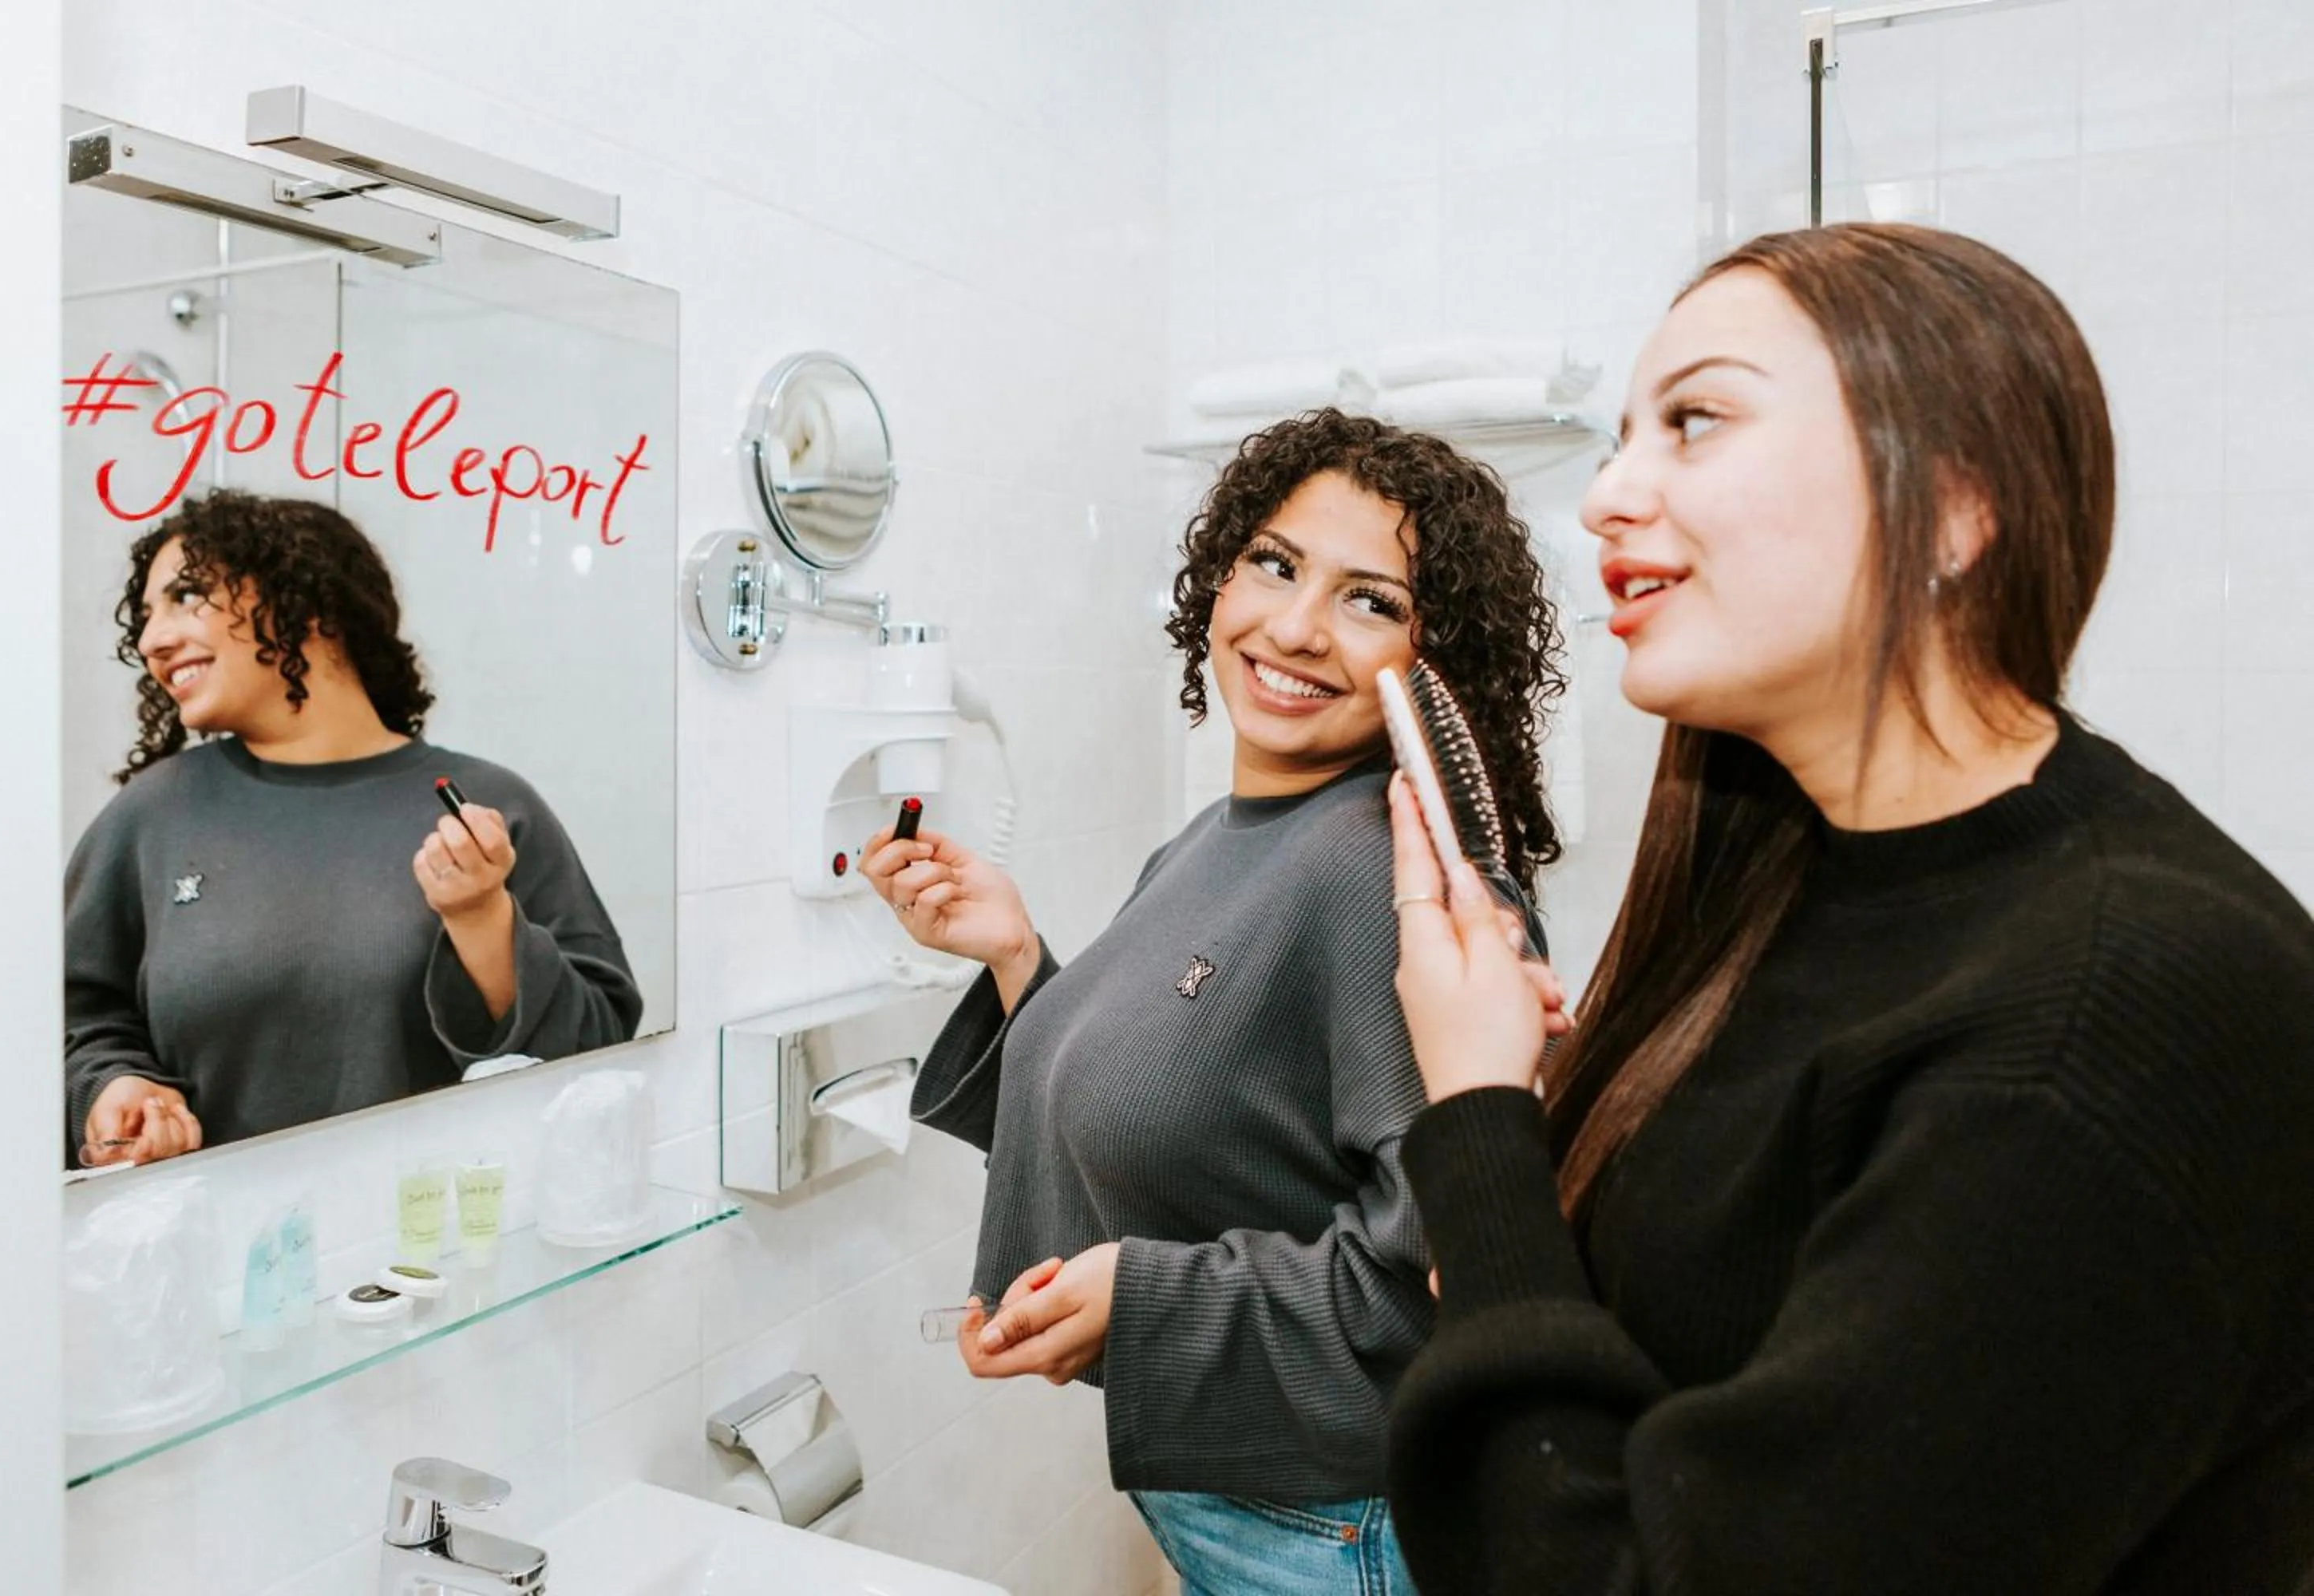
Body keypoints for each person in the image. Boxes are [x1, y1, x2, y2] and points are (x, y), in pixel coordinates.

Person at [1382, 223, 2314, 1595]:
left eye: (1696, 420)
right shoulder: (1787, 882)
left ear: (1954, 507)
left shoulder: (2113, 1010)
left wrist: (1476, 1122)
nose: (1607, 498)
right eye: (1625, 434)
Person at [862, 409, 1564, 1594]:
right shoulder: (1212, 840)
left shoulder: (1388, 879)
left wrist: (1142, 1299)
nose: (1293, 626)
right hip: (1248, 1518)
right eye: (1276, 564)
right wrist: (1019, 956)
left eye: (1370, 600)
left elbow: (1441, 1287)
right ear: (1219, 573)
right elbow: (1207, 1114)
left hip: (1347, 1536)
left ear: (1438, 662)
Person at [65, 490, 641, 1167]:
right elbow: (76, 1017)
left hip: (442, 1255)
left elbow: (600, 1060)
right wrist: (116, 1085)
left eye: (187, 597)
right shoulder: (151, 816)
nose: (151, 639)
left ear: (306, 605)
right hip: (211, 1256)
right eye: (146, 614)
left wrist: (483, 917)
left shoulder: (490, 808)